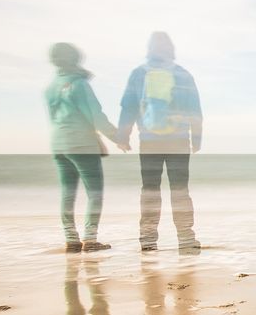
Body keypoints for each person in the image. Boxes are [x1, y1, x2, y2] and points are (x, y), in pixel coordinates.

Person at [116, 32, 203, 253]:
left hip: (149, 142)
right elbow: (195, 111)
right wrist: (197, 138)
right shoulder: (183, 75)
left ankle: (147, 240)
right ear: (171, 49)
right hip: (179, 141)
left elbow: (128, 107)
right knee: (180, 189)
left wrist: (123, 136)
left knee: (150, 189)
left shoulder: (138, 74)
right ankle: (186, 238)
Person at [44, 42, 124, 252]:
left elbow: (53, 118)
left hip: (59, 144)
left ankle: (71, 239)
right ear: (75, 59)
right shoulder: (80, 85)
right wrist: (118, 137)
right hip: (81, 144)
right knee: (94, 193)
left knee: (68, 193)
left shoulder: (51, 87)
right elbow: (95, 116)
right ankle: (90, 239)